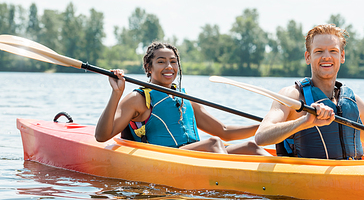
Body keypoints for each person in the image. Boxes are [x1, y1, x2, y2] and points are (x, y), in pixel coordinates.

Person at [254, 24, 364, 159]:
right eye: (319, 51)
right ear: (307, 57)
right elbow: (261, 137)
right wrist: (305, 122)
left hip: (348, 179)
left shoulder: (355, 102)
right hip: (304, 181)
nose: (326, 56)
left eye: (333, 51)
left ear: (342, 56)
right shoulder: (292, 96)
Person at [95, 41, 269, 156]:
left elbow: (224, 131)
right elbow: (102, 136)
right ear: (149, 67)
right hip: (168, 158)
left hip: (195, 155)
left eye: (173, 61)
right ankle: (229, 181)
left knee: (251, 147)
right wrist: (116, 93)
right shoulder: (138, 99)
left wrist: (265, 126)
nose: (169, 66)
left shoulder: (186, 98)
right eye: (161, 62)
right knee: (214, 143)